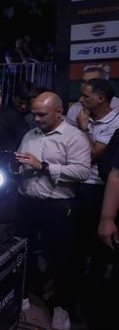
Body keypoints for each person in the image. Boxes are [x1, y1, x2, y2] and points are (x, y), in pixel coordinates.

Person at [14, 92, 91, 330]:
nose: (35, 119)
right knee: (22, 253)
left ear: (59, 112)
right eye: (33, 113)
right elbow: (21, 160)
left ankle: (61, 307)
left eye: (41, 114)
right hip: (27, 203)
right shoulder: (30, 134)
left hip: (58, 207)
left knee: (61, 259)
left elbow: (82, 172)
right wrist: (17, 165)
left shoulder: (75, 137)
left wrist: (44, 166)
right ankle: (21, 296)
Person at [73, 78, 119, 279]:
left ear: (100, 98)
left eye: (85, 95)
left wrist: (83, 128)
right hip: (78, 186)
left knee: (98, 248)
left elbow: (92, 153)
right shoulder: (83, 115)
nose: (80, 99)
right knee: (76, 244)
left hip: (99, 190)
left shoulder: (115, 122)